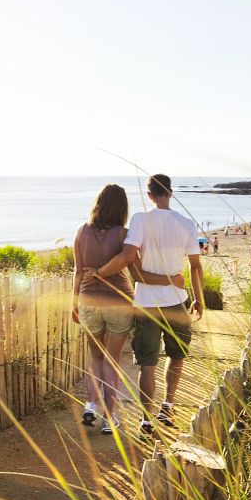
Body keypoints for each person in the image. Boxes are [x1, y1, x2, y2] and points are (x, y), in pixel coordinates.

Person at [91, 174, 203, 435]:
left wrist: (99, 273)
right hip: (177, 302)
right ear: (171, 193)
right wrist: (199, 299)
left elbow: (129, 257)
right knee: (176, 357)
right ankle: (168, 405)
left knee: (147, 363)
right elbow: (196, 266)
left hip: (146, 304)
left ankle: (146, 419)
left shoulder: (141, 219)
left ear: (150, 195)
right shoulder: (186, 223)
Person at [71, 184, 181, 434]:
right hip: (119, 302)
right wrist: (170, 279)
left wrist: (74, 303)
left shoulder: (80, 231)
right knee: (112, 361)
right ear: (122, 207)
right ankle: (110, 418)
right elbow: (137, 273)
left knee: (96, 357)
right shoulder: (124, 235)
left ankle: (91, 406)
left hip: (88, 302)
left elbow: (78, 272)